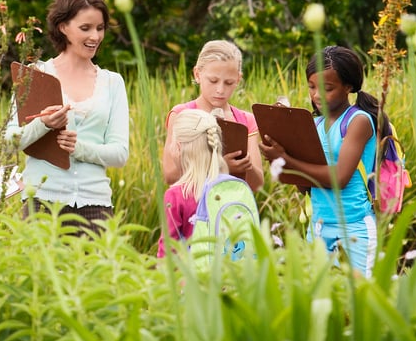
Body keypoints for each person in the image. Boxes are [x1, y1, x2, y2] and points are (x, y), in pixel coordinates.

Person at [5, 0, 129, 235]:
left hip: (96, 206)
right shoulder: (34, 75)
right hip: (41, 202)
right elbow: (9, 142)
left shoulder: (112, 82)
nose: (95, 36)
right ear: (63, 27)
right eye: (85, 28)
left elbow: (120, 154)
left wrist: (79, 148)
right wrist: (44, 124)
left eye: (100, 28)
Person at [259, 45, 379, 277]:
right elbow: (305, 186)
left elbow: (340, 178)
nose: (316, 95)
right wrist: (283, 152)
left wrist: (288, 160)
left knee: (359, 301)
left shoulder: (357, 121)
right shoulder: (312, 125)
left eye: (327, 88)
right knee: (321, 297)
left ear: (349, 86)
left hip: (354, 228)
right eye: (312, 87)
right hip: (319, 227)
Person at [163, 39, 264, 191]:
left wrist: (246, 165)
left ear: (238, 79)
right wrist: (220, 166)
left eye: (229, 83)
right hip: (193, 211)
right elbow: (170, 175)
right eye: (213, 80)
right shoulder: (181, 114)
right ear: (197, 74)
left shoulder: (246, 121)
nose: (220, 90)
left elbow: (257, 184)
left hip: (232, 210)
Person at [157, 108, 227, 257]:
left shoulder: (176, 195)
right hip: (227, 276)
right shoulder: (228, 188)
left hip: (190, 278)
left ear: (177, 148)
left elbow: (168, 252)